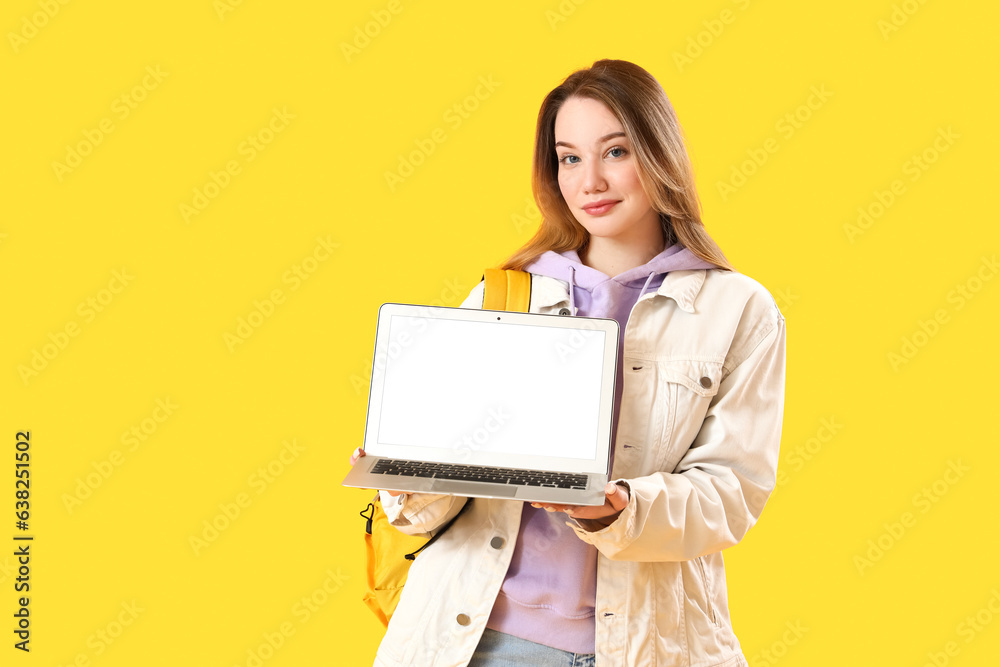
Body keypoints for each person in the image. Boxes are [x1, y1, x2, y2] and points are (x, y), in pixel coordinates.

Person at [351, 58, 786, 666]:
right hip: (478, 642)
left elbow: (732, 493)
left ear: (660, 154)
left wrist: (622, 510)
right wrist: (408, 471)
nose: (591, 182)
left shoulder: (738, 310)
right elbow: (431, 511)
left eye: (615, 151)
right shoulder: (508, 297)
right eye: (570, 157)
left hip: (647, 647)